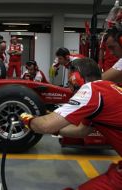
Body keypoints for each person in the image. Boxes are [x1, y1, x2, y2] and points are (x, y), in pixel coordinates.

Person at [20, 58, 122, 190]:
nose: (69, 87)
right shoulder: (108, 88)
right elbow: (82, 131)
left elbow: (45, 125)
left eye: (70, 81)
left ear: (77, 77)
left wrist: (28, 120)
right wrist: (56, 129)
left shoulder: (91, 90)